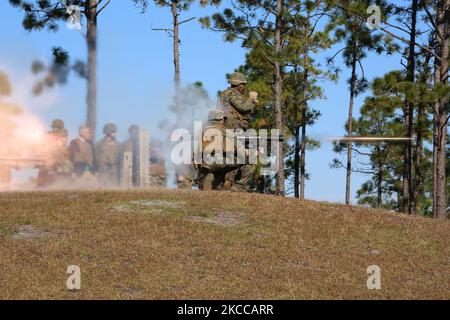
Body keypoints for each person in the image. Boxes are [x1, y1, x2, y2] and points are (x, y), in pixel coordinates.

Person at [220, 72, 258, 192]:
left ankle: (229, 182)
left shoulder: (227, 94)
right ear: (237, 84)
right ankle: (238, 185)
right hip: (231, 131)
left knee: (237, 156)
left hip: (232, 131)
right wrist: (252, 100)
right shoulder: (231, 93)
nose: (244, 87)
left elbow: (246, 113)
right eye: (243, 84)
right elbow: (244, 107)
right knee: (244, 156)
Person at [195, 109, 238, 190]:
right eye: (223, 119)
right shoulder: (224, 131)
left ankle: (208, 176)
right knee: (241, 158)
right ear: (220, 119)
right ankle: (228, 182)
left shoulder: (202, 130)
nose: (224, 121)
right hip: (217, 162)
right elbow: (235, 148)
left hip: (204, 163)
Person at [95, 123, 120, 188]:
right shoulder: (99, 144)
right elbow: (95, 158)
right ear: (108, 132)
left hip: (114, 169)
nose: (116, 133)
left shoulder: (118, 144)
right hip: (103, 169)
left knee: (114, 187)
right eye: (114, 132)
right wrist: (96, 170)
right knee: (102, 187)